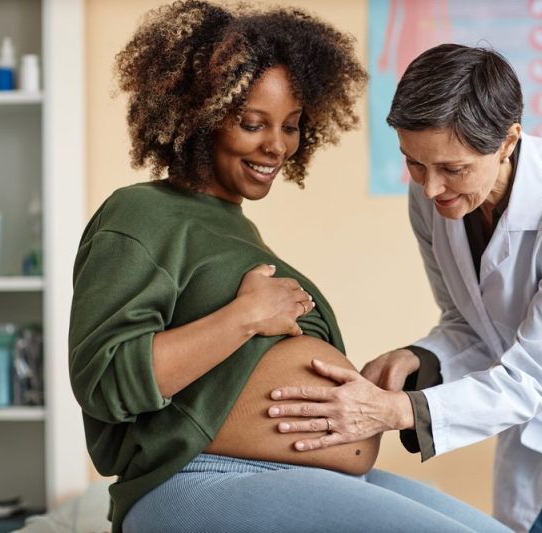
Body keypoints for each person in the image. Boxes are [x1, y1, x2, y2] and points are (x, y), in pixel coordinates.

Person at [68, 5, 511, 532]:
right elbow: (104, 381)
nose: (276, 146)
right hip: (198, 478)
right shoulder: (141, 213)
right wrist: (245, 318)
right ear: (200, 115)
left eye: (291, 126)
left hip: (291, 473)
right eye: (252, 123)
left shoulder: (234, 229)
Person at [269, 44, 542, 532]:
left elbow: (537, 375)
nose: (431, 188)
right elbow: (470, 321)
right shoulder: (431, 198)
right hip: (531, 418)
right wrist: (420, 358)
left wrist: (397, 411)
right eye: (415, 163)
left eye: (453, 169)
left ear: (507, 141)